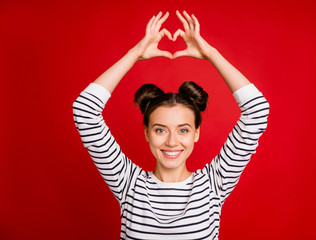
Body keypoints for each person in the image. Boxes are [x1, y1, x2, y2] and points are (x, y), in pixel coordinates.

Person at [73, 10, 269, 240]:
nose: (172, 141)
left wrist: (211, 53)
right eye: (160, 130)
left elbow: (257, 110)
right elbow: (84, 110)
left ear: (196, 133)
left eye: (183, 130)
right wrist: (134, 53)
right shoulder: (128, 184)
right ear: (147, 133)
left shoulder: (214, 184)